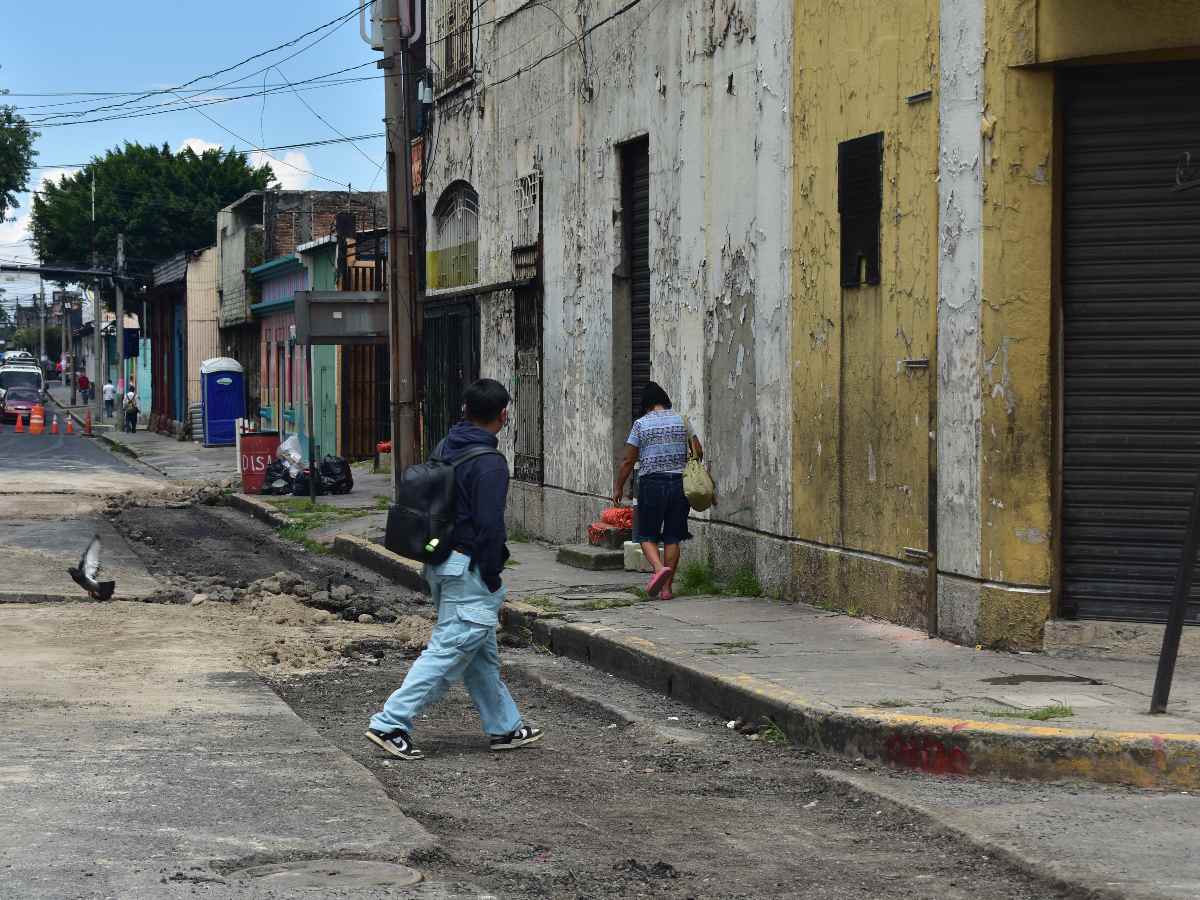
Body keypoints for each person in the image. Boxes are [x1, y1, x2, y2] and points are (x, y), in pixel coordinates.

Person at [365, 378, 543, 761]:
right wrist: (492, 574)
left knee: (479, 653)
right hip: (469, 567)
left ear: (464, 411)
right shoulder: (490, 463)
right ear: (503, 414)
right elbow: (490, 524)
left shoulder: (447, 446)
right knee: (448, 651)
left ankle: (505, 727)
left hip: (441, 560)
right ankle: (391, 722)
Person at [613, 381, 703, 600]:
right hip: (679, 484)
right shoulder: (682, 420)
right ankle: (666, 589)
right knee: (673, 536)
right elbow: (698, 451)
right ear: (664, 399)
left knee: (646, 533)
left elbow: (628, 460)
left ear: (646, 404)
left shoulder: (641, 424)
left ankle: (658, 568)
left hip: (651, 484)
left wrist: (618, 486)